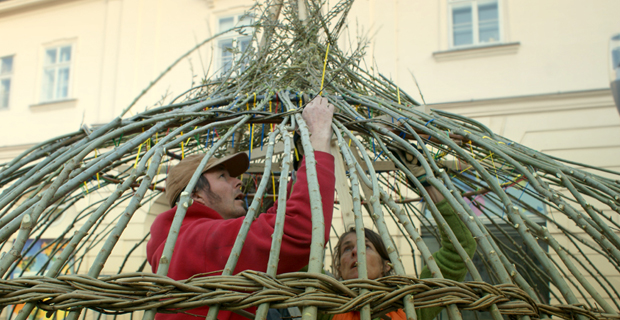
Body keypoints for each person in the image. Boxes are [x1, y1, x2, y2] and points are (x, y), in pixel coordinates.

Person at [147, 96, 336, 320]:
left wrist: (302, 162)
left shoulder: (184, 241)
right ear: (195, 195)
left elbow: (271, 226)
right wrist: (319, 142)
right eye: (223, 176)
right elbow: (299, 231)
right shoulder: (198, 239)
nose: (238, 181)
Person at [330, 149, 477, 320]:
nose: (355, 251)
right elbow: (295, 257)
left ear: (386, 265)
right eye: (347, 249)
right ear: (339, 268)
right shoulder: (327, 310)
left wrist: (426, 182)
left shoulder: (411, 306)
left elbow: (460, 247)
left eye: (366, 246)